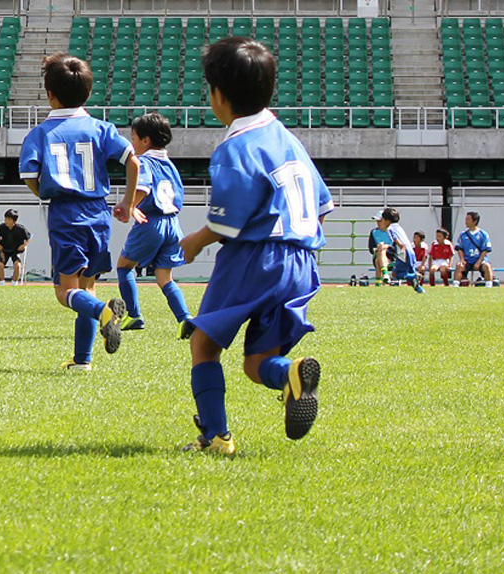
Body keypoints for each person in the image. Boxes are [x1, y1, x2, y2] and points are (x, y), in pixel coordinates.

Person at [176, 37, 329, 455]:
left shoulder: (236, 147)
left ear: (218, 95)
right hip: (301, 261)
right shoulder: (289, 140)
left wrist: (192, 242)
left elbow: (228, 222)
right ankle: (292, 374)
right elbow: (321, 206)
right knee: (257, 364)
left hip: (256, 258)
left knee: (203, 343)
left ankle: (215, 437)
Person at [19, 52, 134, 371]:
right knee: (87, 286)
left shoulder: (41, 133)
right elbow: (133, 160)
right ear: (88, 92)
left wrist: (45, 192)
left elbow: (29, 174)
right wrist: (127, 202)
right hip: (98, 213)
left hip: (66, 213)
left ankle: (105, 314)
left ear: (50, 94)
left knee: (65, 291)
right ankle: (82, 360)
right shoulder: (101, 128)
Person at [113, 112, 193, 337]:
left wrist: (129, 206)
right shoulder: (169, 164)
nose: (133, 143)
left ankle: (134, 315)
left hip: (151, 222)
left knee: (124, 266)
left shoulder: (144, 161)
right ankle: (185, 318)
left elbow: (144, 187)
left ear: (146, 140)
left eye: (134, 138)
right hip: (173, 223)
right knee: (164, 276)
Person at [374, 207, 423, 293]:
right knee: (410, 272)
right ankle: (420, 290)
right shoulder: (398, 227)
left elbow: (394, 237)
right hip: (411, 252)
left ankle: (414, 276)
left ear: (386, 220)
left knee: (397, 274)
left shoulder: (390, 228)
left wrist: (399, 244)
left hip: (403, 253)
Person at [457, 211, 495, 285]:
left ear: (474, 221)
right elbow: (459, 248)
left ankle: (489, 286)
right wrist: (462, 259)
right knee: (459, 266)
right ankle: (455, 285)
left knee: (487, 266)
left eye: (468, 219)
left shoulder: (483, 234)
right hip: (467, 260)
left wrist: (479, 262)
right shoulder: (463, 234)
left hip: (480, 260)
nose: (466, 221)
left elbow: (485, 250)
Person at [0, 210, 30, 284]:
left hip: (16, 251)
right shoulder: (2, 227)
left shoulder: (20, 229)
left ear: (14, 221)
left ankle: (14, 283)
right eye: (5, 219)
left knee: (17, 265)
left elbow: (29, 238)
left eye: (9, 219)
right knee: (0, 265)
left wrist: (23, 245)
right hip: (4, 250)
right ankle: (2, 283)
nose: (6, 221)